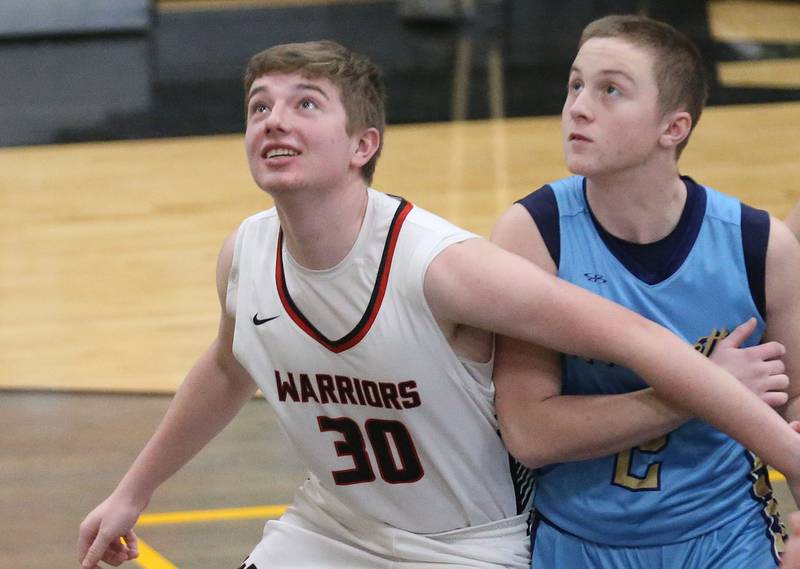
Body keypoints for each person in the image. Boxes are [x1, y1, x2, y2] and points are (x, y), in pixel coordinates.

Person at [78, 40, 800, 569]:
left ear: (364, 144)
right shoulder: (245, 253)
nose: (274, 120)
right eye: (259, 106)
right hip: (331, 529)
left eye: (305, 105)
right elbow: (227, 365)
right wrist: (131, 490)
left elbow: (637, 338)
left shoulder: (441, 266)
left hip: (467, 549)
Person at [492, 14, 800, 569]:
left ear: (673, 127)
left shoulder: (761, 245)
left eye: (611, 90)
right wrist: (704, 388)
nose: (579, 107)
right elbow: (530, 432)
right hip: (577, 539)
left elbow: (794, 406)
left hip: (727, 536)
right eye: (576, 85)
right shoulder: (534, 232)